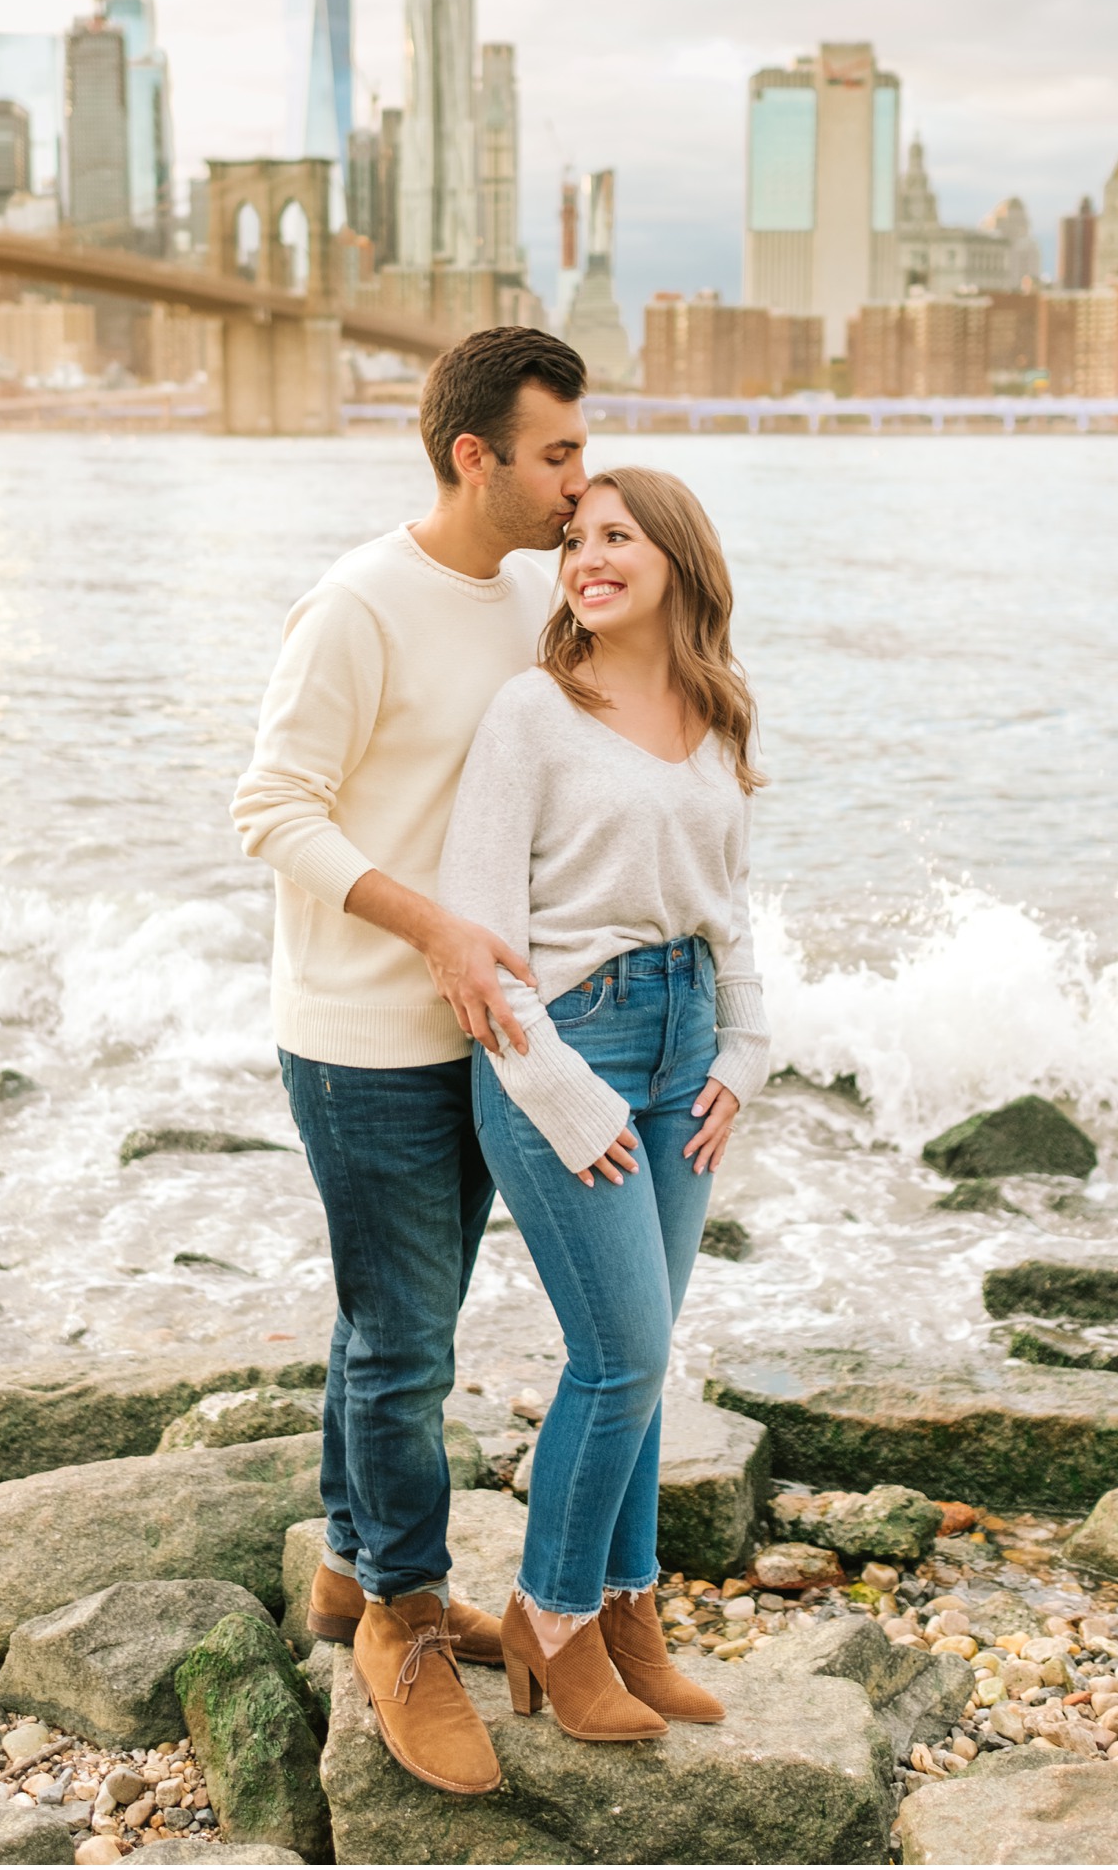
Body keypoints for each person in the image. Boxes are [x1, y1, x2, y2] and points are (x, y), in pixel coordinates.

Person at [231, 328, 589, 1797]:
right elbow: (271, 807)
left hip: (484, 1034)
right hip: (365, 1037)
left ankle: (345, 1559)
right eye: (557, 453)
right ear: (474, 456)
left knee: (398, 1316)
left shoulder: (529, 596)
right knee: (406, 1342)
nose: (581, 479)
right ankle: (401, 1614)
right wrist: (432, 923)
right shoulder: (357, 605)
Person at [438, 465, 770, 1742]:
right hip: (562, 1045)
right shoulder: (533, 711)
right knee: (619, 1354)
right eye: (578, 538)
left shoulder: (717, 709)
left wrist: (746, 1051)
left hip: (688, 1043)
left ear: (678, 556)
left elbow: (732, 910)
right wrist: (564, 1093)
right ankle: (553, 1614)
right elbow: (482, 939)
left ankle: (629, 1612)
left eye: (618, 535)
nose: (587, 555)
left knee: (647, 1357)